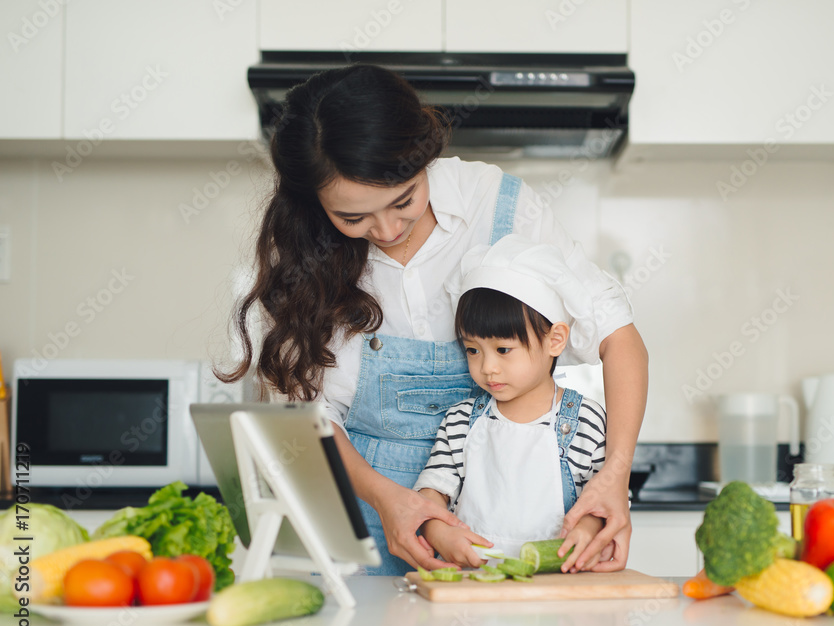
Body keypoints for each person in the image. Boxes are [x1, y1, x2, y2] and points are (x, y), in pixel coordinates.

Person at [223, 64, 648, 576]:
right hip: (359, 515)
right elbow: (306, 414)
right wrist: (387, 499)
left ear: (425, 155)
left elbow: (617, 337)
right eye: (352, 218)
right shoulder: (299, 250)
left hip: (487, 536)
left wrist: (615, 475)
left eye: (403, 199)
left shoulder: (498, 207)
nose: (385, 229)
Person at [414, 236, 609, 572]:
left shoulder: (585, 421)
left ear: (555, 340)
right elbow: (432, 493)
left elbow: (603, 500)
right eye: (473, 350)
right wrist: (438, 532)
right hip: (476, 585)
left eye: (503, 350)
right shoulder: (461, 420)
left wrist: (587, 530)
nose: (487, 367)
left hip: (558, 588)